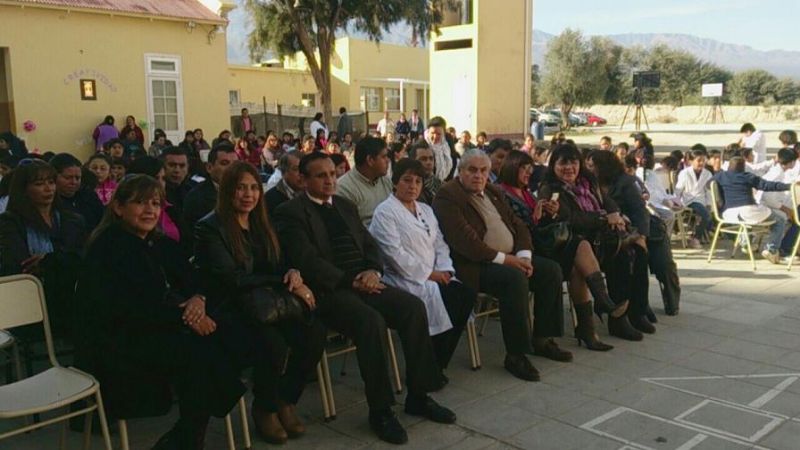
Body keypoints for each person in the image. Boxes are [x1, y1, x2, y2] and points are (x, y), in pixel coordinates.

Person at [274, 152, 456, 445]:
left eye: (332, 174)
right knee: (370, 321)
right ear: (304, 180)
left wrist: (373, 270)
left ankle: (419, 395)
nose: (330, 180)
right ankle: (381, 411)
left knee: (412, 307)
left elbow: (370, 244)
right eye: (321, 176)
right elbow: (307, 260)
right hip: (329, 290)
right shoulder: (291, 212)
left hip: (365, 282)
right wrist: (352, 280)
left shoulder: (344, 205)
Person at [75, 175, 249, 450]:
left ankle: (185, 437)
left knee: (227, 335)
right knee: (202, 354)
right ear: (118, 207)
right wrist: (187, 318)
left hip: (158, 327)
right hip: (118, 341)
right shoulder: (108, 248)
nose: (150, 210)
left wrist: (198, 300)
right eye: (140, 203)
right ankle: (187, 437)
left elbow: (195, 278)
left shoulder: (157, 242)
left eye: (155, 204)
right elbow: (125, 311)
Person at [194, 162, 325, 444]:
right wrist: (280, 280)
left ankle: (285, 400)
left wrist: (293, 274)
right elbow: (232, 279)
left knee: (314, 333)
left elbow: (280, 261)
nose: (248, 195)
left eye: (254, 188)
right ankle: (264, 408)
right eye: (240, 188)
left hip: (269, 304)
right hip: (232, 308)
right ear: (227, 191)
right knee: (272, 344)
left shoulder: (261, 222)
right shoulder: (210, 228)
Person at [433, 149, 570, 382]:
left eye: (483, 170)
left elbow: (518, 225)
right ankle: (516, 355)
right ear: (460, 171)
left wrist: (524, 256)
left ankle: (543, 339)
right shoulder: (448, 196)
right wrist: (508, 260)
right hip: (474, 265)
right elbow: (466, 242)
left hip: (510, 257)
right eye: (472, 170)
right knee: (513, 279)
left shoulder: (492, 191)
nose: (478, 175)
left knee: (550, 270)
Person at [497, 151, 620, 351]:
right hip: (530, 250)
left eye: (530, 168)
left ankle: (588, 328)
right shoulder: (505, 193)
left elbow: (543, 224)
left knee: (579, 265)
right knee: (574, 252)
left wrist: (549, 214)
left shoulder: (526, 193)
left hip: (544, 245)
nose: (528, 173)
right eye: (523, 169)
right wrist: (541, 217)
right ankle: (600, 306)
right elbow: (518, 227)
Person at [370, 158, 476, 370]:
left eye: (418, 181)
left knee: (465, 295)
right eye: (407, 180)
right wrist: (429, 274)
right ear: (395, 182)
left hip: (435, 273)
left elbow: (440, 243)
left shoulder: (426, 210)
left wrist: (444, 268)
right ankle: (427, 365)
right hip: (402, 277)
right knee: (447, 298)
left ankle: (438, 361)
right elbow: (394, 254)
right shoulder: (385, 212)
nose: (413, 186)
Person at [537, 144, 646, 339]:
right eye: (563, 163)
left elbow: (606, 201)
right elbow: (570, 218)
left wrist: (614, 213)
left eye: (573, 162)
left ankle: (625, 317)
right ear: (553, 165)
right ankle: (601, 312)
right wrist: (603, 218)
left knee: (628, 254)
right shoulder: (549, 190)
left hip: (598, 240)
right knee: (588, 263)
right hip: (570, 245)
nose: (569, 168)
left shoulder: (588, 181)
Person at [0, 159, 87, 340]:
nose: (48, 189)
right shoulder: (10, 222)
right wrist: (60, 260)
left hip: (71, 294)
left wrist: (49, 260)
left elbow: (82, 257)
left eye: (51, 182)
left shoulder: (73, 220)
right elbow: (21, 265)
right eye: (39, 184)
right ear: (24, 189)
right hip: (29, 300)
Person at [588, 150, 675, 323]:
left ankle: (639, 308)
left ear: (603, 166)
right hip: (605, 235)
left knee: (641, 255)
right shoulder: (589, 184)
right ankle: (624, 312)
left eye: (592, 165)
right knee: (621, 257)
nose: (588, 168)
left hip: (632, 231)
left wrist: (641, 236)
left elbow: (640, 211)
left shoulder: (625, 182)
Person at [715, 156, 794, 263]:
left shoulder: (720, 176)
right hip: (748, 211)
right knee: (779, 220)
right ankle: (771, 249)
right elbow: (767, 185)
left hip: (728, 213)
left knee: (747, 220)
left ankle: (746, 243)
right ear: (743, 167)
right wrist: (789, 186)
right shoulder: (747, 176)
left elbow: (708, 185)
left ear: (729, 166)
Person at [127, 156, 187, 248]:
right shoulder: (130, 211)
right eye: (155, 178)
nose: (160, 183)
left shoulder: (171, 208)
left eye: (163, 179)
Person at [336, 136, 393, 227]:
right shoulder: (344, 188)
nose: (388, 161)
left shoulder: (385, 181)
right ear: (370, 160)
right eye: (384, 157)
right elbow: (351, 229)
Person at [183, 144, 239, 226]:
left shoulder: (246, 192)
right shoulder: (196, 198)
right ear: (209, 167)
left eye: (235, 164)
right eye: (224, 163)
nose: (232, 169)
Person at [50, 153, 104, 230]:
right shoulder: (49, 202)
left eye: (77, 178)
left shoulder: (88, 196)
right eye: (68, 178)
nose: (74, 182)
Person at [674, 148, 713, 248]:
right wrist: (676, 203)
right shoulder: (684, 173)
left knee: (708, 216)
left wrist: (709, 204)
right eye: (699, 160)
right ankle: (696, 238)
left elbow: (708, 191)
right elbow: (678, 190)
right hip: (689, 200)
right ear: (691, 161)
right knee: (706, 215)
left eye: (703, 160)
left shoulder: (707, 174)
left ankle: (699, 235)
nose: (701, 163)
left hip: (702, 200)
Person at [162, 146, 197, 216]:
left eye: (182, 166)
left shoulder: (196, 190)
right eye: (171, 165)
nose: (177, 170)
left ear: (188, 167)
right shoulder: (156, 192)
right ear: (163, 167)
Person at [409, 141, 442, 205]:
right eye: (423, 159)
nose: (428, 162)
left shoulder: (441, 186)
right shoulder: (408, 187)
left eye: (431, 159)